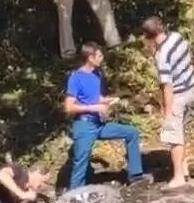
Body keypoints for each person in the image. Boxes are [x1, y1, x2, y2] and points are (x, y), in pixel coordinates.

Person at [64, 43, 150, 189]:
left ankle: (135, 176)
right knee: (81, 162)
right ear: (90, 58)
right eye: (99, 56)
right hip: (84, 125)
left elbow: (94, 97)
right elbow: (69, 107)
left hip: (100, 124)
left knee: (132, 132)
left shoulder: (97, 74)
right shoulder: (76, 78)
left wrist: (107, 100)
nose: (102, 58)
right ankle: (74, 197)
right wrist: (95, 107)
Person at [141, 16, 194, 190]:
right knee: (183, 131)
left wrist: (167, 111)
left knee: (174, 136)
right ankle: (184, 167)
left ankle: (178, 176)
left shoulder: (162, 56)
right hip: (191, 88)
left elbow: (167, 86)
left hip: (178, 95)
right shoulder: (177, 37)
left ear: (149, 36)